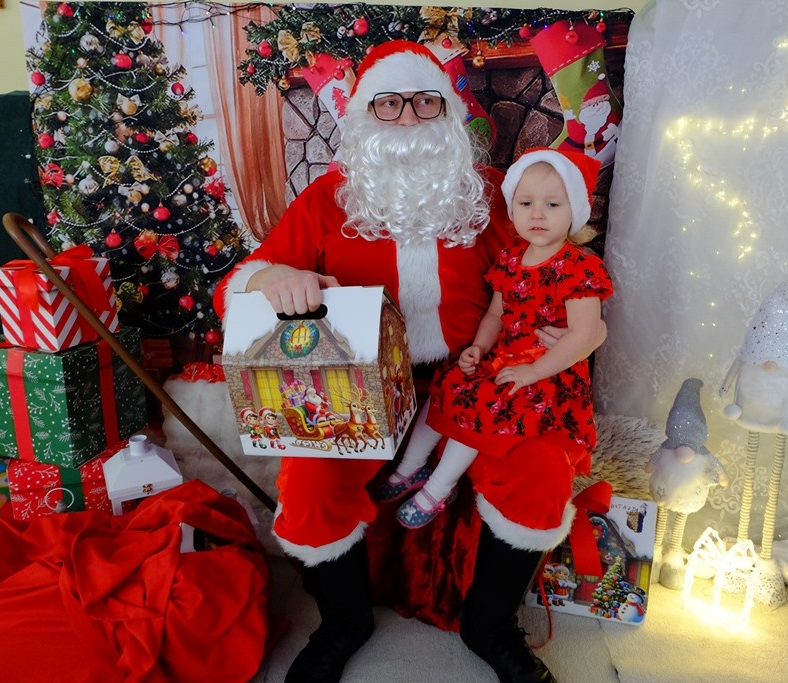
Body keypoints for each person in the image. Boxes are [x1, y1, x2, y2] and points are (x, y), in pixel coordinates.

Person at [213, 40, 594, 683]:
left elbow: (550, 262)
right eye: (388, 104)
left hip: (477, 377)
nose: (410, 117)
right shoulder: (328, 198)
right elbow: (237, 283)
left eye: (425, 102)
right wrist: (273, 277)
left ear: (449, 113)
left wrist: (561, 315)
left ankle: (491, 626)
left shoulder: (492, 196)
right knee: (310, 480)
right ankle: (343, 623)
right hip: (358, 382)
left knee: (539, 471)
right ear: (364, 116)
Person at [374, 148, 612, 530]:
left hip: (549, 370)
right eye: (526, 203)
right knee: (451, 382)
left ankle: (437, 490)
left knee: (484, 405)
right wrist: (479, 347)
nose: (537, 214)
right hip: (504, 356)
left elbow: (584, 335)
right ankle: (410, 467)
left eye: (553, 204)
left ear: (576, 212)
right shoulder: (511, 258)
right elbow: (495, 315)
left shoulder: (579, 267)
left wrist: (533, 371)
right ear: (512, 209)